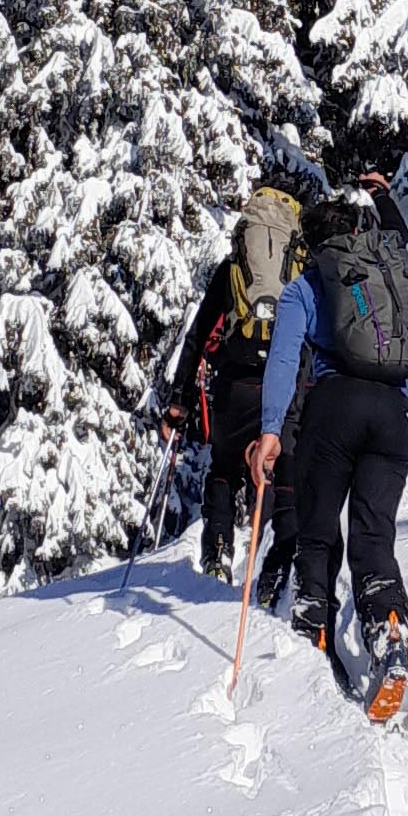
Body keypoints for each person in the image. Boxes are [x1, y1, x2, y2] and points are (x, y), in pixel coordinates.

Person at [253, 178, 408, 716]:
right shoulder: (389, 281)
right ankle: (388, 629)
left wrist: (271, 431)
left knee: (318, 526)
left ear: (313, 245)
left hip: (333, 409)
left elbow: (282, 360)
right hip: (394, 418)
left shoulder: (307, 287)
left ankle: (314, 624)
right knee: (373, 535)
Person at [158, 182, 307, 589]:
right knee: (284, 468)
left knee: (224, 468)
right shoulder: (298, 268)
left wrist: (179, 401)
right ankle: (277, 567)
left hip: (234, 386)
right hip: (286, 384)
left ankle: (218, 554)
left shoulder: (233, 269)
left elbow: (197, 334)